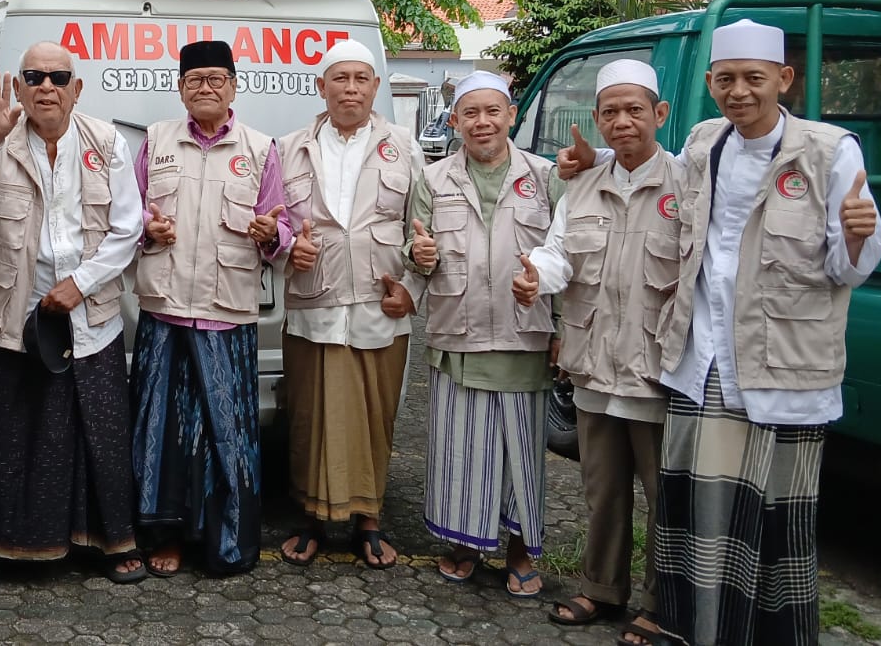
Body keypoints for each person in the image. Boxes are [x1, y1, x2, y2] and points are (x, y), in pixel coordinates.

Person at [557, 19, 881, 646]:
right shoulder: (707, 144)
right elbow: (651, 167)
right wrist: (596, 157)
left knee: (773, 519)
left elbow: (847, 269)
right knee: (696, 516)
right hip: (702, 363)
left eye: (754, 79)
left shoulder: (829, 151)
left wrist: (861, 235)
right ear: (710, 84)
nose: (740, 92)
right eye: (727, 79)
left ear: (783, 80)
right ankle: (691, 628)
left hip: (783, 368)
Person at [0, 42, 146, 592]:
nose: (46, 86)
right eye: (34, 76)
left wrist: (80, 285)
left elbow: (129, 227)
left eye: (58, 77)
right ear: (23, 87)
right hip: (17, 316)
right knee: (11, 436)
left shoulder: (108, 144)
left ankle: (109, 541)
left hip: (90, 314)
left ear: (77, 89)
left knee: (97, 433)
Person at [512, 59, 677, 643]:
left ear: (660, 114)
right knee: (603, 490)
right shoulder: (581, 185)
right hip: (593, 365)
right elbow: (559, 254)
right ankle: (602, 589)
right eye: (611, 112)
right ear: (598, 121)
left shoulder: (686, 185)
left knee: (664, 496)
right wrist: (536, 274)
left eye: (636, 110)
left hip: (657, 372)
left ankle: (661, 603)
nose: (623, 121)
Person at [131, 40, 292, 578]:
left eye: (216, 79)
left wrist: (274, 235)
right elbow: (125, 220)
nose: (206, 88)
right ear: (180, 88)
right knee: (164, 433)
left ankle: (225, 543)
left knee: (228, 436)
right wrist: (145, 232)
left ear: (233, 86)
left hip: (229, 316)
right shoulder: (155, 143)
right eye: (195, 79)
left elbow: (283, 227)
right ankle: (167, 536)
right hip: (166, 315)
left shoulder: (262, 149)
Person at [406, 69, 561, 598]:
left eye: (493, 111)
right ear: (454, 121)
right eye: (470, 113)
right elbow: (417, 251)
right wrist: (418, 256)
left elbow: (568, 257)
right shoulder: (433, 178)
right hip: (458, 336)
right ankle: (465, 545)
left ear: (513, 114)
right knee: (460, 449)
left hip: (525, 337)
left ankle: (520, 550)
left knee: (521, 452)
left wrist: (564, 329)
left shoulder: (545, 176)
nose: (482, 122)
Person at [274, 39, 421, 570]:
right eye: (341, 78)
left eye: (362, 78)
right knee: (309, 417)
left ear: (376, 87)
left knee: (375, 416)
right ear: (322, 86)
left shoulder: (403, 147)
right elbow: (271, 227)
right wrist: (290, 246)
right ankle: (311, 520)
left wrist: (414, 291)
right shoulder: (289, 148)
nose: (352, 87)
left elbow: (424, 232)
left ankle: (369, 520)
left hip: (380, 308)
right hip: (314, 306)